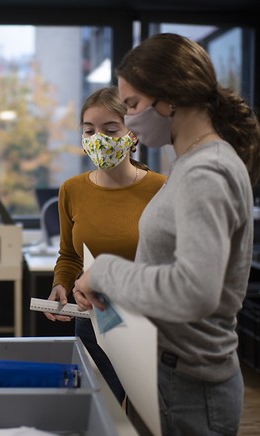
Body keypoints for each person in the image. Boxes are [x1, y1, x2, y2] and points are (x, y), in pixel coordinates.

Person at [74, 33, 260, 435]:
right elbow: (169, 271)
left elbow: (194, 291)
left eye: (132, 105)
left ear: (170, 99)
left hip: (191, 385)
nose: (128, 119)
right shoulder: (189, 164)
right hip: (168, 372)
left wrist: (107, 271)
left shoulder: (205, 172)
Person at [43, 86, 166, 404]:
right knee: (99, 408)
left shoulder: (162, 189)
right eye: (89, 130)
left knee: (146, 417)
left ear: (133, 134)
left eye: (111, 130)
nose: (99, 138)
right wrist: (60, 284)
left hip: (149, 321)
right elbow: (70, 255)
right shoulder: (71, 190)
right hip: (93, 319)